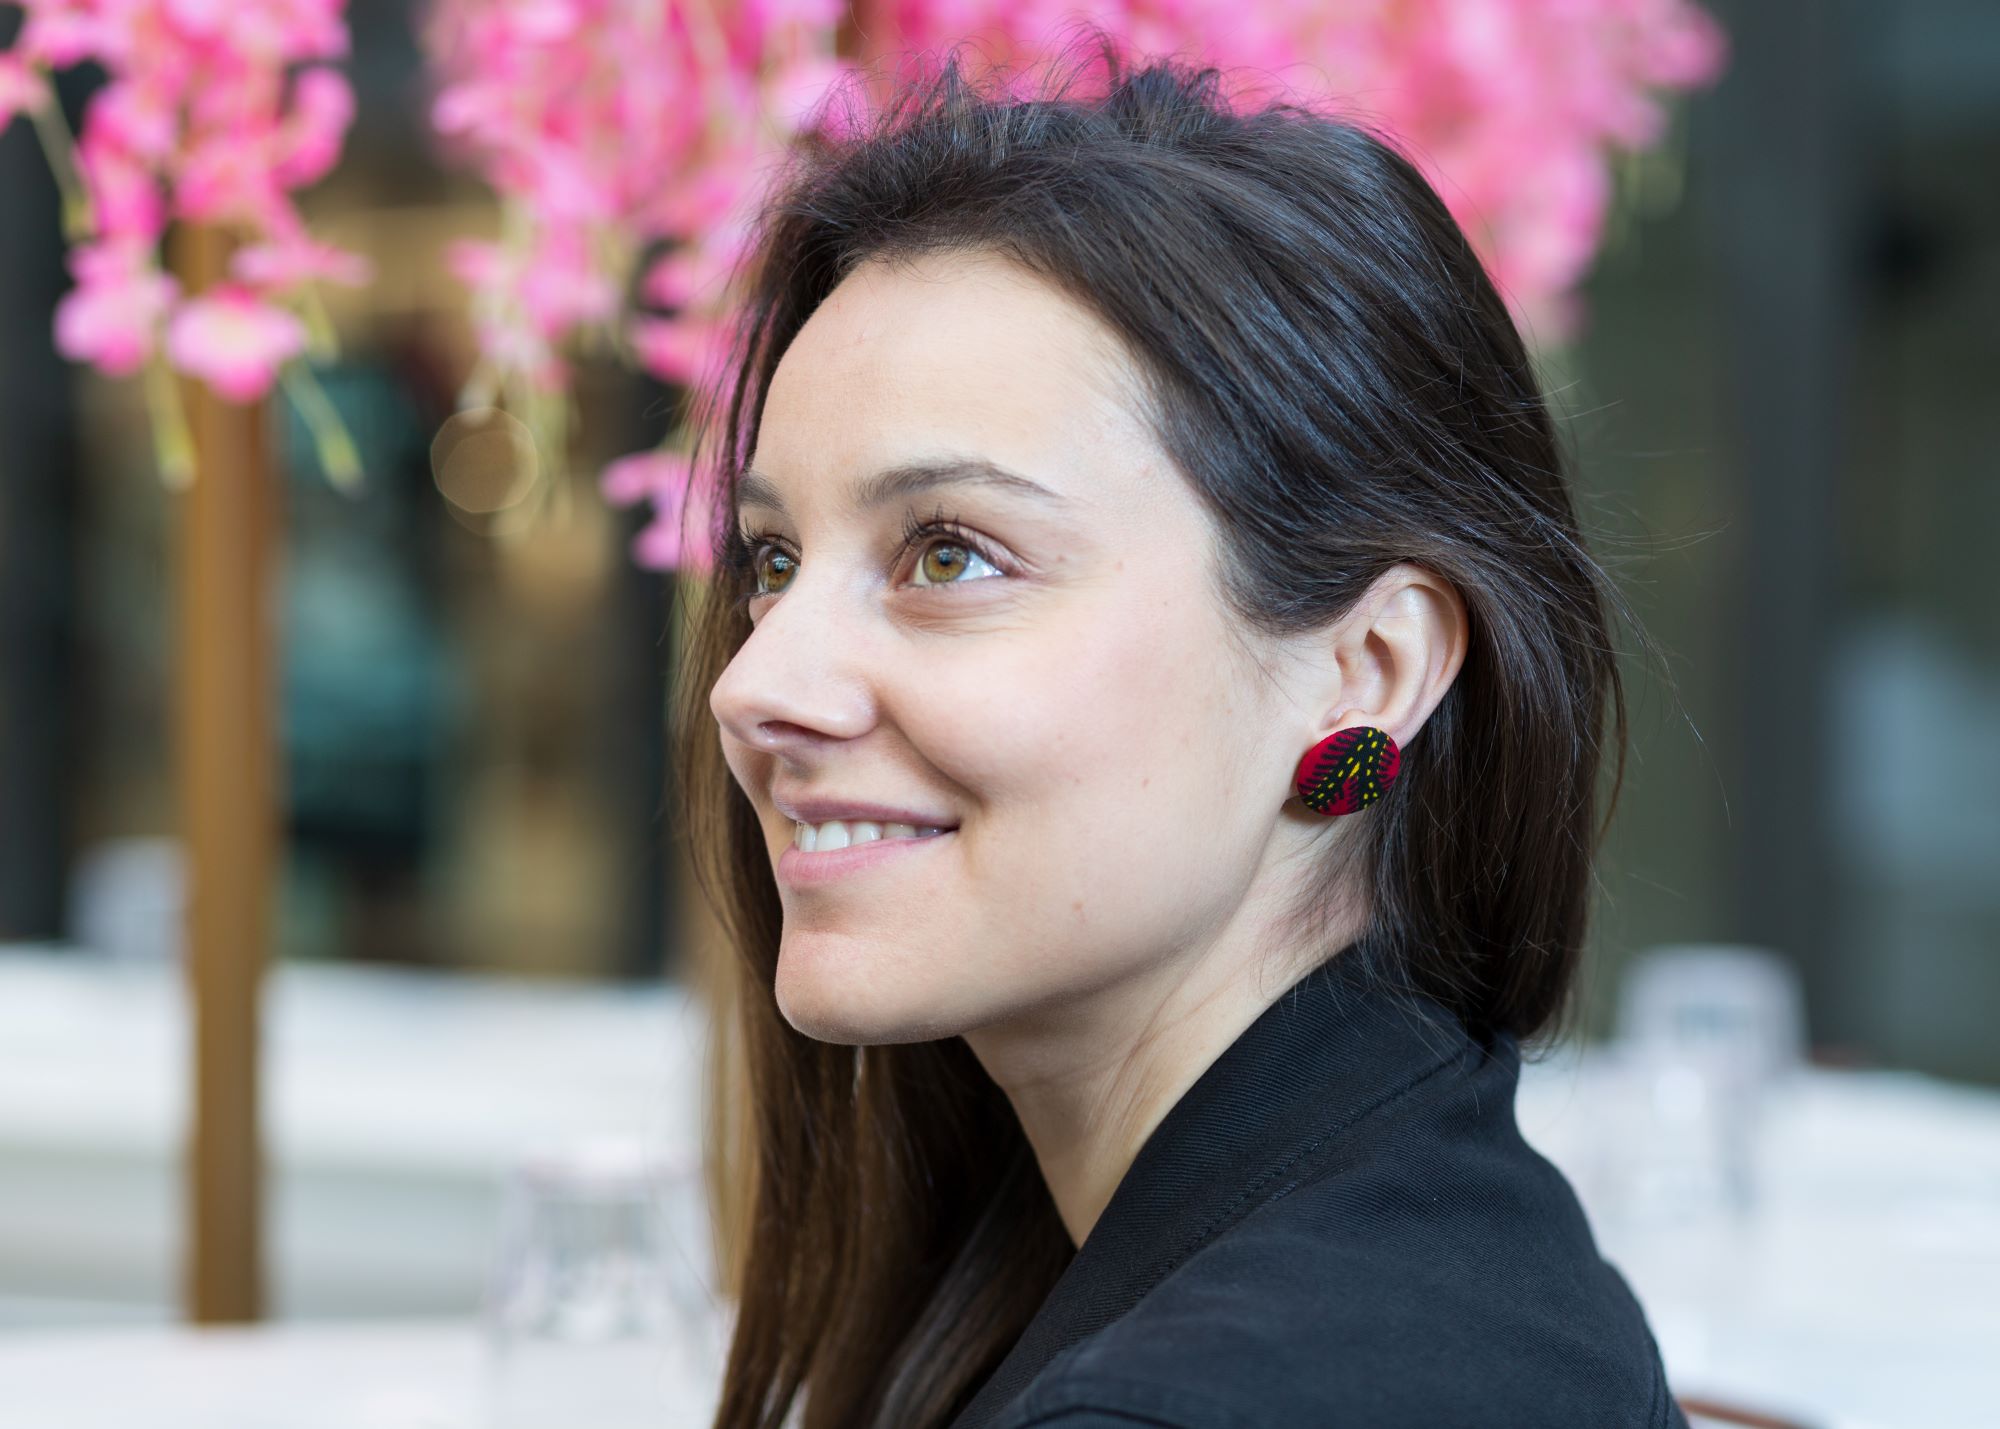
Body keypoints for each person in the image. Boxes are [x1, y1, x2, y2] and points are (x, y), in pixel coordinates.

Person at [671, 30, 1686, 1429]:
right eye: (773, 560)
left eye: (950, 553)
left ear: (1368, 666)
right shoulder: (1420, 1229)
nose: (756, 683)